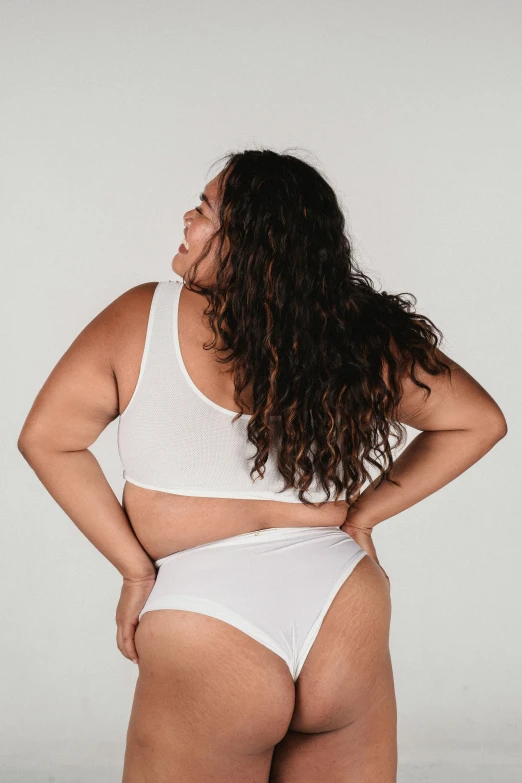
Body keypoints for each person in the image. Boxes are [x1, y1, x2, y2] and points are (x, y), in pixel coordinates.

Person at [17, 148, 507, 783]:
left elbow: (46, 439)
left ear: (246, 242)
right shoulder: (353, 332)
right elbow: (479, 420)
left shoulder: (143, 315)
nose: (188, 220)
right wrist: (359, 518)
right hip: (342, 604)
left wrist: (137, 572)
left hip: (209, 617)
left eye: (203, 209)